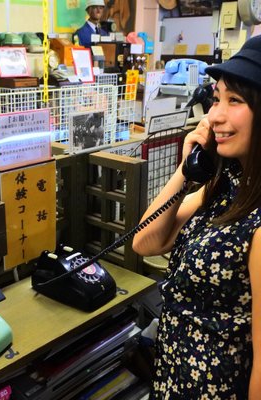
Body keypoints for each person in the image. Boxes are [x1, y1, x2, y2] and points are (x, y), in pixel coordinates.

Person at [132, 35, 261, 399]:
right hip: (174, 377)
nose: (215, 115)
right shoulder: (228, 186)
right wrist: (187, 171)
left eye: (235, 100)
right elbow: (146, 241)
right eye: (217, 98)